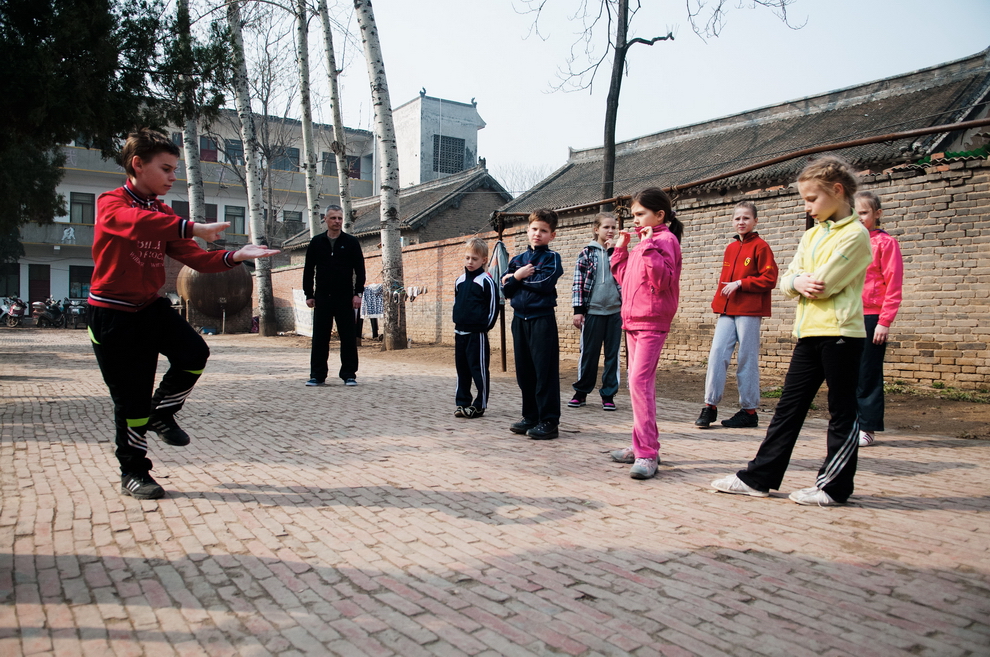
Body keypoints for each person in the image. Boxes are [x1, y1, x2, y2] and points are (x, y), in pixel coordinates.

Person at [88, 128, 279, 500]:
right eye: (166, 169)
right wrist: (193, 226)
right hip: (113, 315)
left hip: (149, 308)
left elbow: (195, 258)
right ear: (138, 165)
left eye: (176, 169)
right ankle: (133, 470)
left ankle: (163, 411)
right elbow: (135, 224)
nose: (173, 177)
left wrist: (236, 256)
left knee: (194, 353)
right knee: (131, 401)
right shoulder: (110, 204)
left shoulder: (161, 212)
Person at [711, 156, 872, 506]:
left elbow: (825, 284)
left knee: (842, 411)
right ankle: (759, 477)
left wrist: (799, 280)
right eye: (804, 200)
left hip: (842, 333)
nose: (808, 207)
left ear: (838, 191)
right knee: (788, 408)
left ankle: (834, 487)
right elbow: (787, 281)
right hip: (809, 332)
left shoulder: (856, 235)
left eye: (812, 198)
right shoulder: (812, 234)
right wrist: (797, 280)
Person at [608, 189, 683, 479]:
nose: (635, 220)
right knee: (637, 383)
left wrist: (648, 245)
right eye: (634, 215)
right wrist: (621, 249)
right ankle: (641, 445)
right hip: (633, 320)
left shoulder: (665, 240)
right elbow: (624, 278)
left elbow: (662, 281)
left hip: (653, 320)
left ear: (660, 215)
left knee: (640, 382)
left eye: (640, 214)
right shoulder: (643, 242)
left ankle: (648, 453)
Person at [695, 202, 778, 429]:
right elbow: (724, 281)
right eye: (737, 218)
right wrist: (718, 302)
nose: (741, 222)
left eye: (746, 218)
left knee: (746, 359)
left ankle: (749, 411)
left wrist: (741, 283)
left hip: (749, 310)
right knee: (717, 355)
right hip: (727, 310)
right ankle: (709, 406)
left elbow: (770, 279)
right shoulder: (731, 248)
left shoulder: (761, 247)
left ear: (755, 221)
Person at [501, 209, 564, 440]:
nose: (538, 234)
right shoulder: (517, 260)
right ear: (528, 230)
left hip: (542, 320)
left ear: (552, 235)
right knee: (525, 371)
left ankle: (549, 421)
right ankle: (530, 416)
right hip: (519, 320)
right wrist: (517, 276)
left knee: (544, 371)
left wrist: (517, 278)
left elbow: (545, 283)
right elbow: (506, 290)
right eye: (534, 229)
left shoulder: (552, 258)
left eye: (544, 231)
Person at [854, 191, 903, 447]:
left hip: (873, 316)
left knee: (868, 372)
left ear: (877, 214)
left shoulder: (886, 243)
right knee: (847, 371)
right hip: (849, 315)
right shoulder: (849, 241)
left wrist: (885, 321)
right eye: (855, 212)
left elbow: (893, 285)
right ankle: (850, 422)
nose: (858, 217)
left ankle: (867, 426)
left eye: (863, 212)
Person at [303, 205, 366, 387]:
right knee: (320, 337)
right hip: (322, 297)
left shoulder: (351, 242)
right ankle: (317, 375)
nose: (337, 221)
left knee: (348, 336)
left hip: (345, 297)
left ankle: (349, 374)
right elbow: (308, 270)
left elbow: (360, 270)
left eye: (339, 218)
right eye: (333, 218)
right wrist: (309, 294)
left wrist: (358, 293)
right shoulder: (316, 242)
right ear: (325, 219)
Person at [569, 213, 622, 412]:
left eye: (613, 228)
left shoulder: (619, 252)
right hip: (592, 312)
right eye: (606, 227)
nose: (610, 231)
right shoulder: (586, 253)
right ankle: (581, 392)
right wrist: (578, 311)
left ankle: (608, 395)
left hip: (615, 312)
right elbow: (578, 283)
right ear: (596, 229)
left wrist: (613, 253)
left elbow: (625, 279)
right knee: (588, 355)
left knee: (612, 355)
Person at [452, 237, 498, 418]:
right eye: (467, 258)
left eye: (474, 259)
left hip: (476, 334)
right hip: (459, 332)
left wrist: (483, 327)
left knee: (478, 369)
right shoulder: (459, 280)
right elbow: (457, 302)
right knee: (462, 369)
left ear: (484, 260)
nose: (470, 262)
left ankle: (480, 404)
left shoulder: (486, 280)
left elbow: (494, 307)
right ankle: (462, 402)